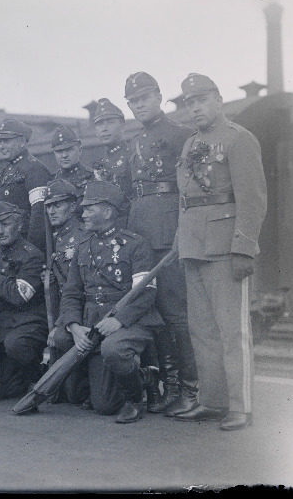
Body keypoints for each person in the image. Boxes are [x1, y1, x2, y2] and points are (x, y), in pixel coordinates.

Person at [174, 73, 267, 431]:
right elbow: (187, 199)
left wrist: (244, 247)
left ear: (218, 100)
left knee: (232, 331)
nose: (194, 107)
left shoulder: (238, 140)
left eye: (200, 100)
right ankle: (211, 401)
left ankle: (240, 407)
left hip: (226, 245)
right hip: (194, 246)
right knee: (203, 330)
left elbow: (253, 198)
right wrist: (181, 242)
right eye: (188, 102)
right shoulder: (190, 144)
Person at [124, 71, 198, 415]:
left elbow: (190, 189)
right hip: (141, 230)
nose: (139, 106)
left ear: (158, 97)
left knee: (176, 314)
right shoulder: (135, 140)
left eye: (143, 99)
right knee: (155, 314)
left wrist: (184, 231)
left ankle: (190, 390)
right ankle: (169, 387)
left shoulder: (180, 135)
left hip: (168, 231)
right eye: (133, 101)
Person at [56, 181, 160, 423]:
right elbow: (71, 292)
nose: (83, 214)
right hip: (93, 323)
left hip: (131, 321)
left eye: (89, 209)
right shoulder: (83, 246)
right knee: (62, 340)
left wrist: (119, 321)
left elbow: (145, 293)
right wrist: (73, 326)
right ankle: (115, 381)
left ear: (109, 212)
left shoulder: (135, 244)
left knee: (112, 350)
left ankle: (136, 395)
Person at [0, 201, 48, 400]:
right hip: (5, 326)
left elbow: (20, 295)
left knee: (15, 345)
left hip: (29, 323)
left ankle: (37, 373)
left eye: (6, 225)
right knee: (7, 390)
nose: (0, 231)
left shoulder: (31, 255)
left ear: (19, 226)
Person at [0, 119, 52, 253]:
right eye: (0, 141)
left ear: (22, 142)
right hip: (6, 248)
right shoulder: (6, 171)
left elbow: (39, 216)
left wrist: (30, 251)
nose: (1, 146)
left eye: (6, 141)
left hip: (24, 248)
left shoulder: (34, 169)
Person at [43, 180, 86, 363]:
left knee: (59, 339)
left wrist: (61, 323)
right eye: (49, 206)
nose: (51, 211)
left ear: (73, 206)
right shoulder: (57, 237)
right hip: (69, 311)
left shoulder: (81, 236)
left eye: (57, 205)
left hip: (82, 313)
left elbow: (79, 288)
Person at [91, 98, 133, 229]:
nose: (104, 129)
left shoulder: (132, 155)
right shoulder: (101, 162)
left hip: (132, 224)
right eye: (100, 124)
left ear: (122, 126)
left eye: (110, 122)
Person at [52, 125, 95, 192]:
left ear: (80, 150)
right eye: (59, 151)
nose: (64, 155)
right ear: (54, 153)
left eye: (69, 150)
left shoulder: (93, 177)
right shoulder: (52, 181)